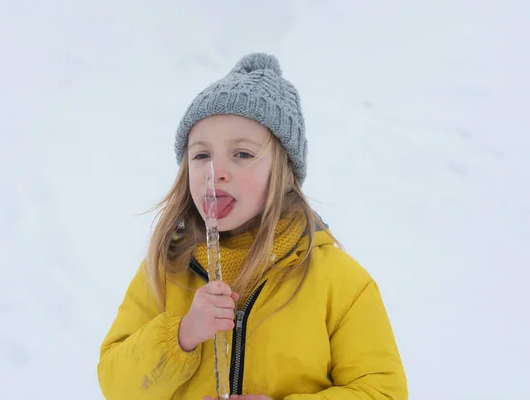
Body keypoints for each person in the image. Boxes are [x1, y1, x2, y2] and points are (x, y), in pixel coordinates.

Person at [97, 52, 408, 400]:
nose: (217, 171)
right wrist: (180, 335)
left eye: (242, 154)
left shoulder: (340, 282)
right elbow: (115, 384)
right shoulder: (165, 271)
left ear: (284, 172)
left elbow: (383, 392)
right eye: (201, 155)